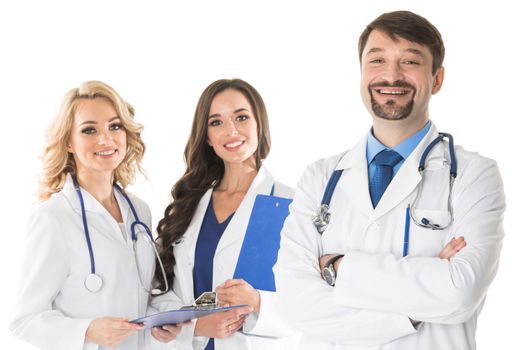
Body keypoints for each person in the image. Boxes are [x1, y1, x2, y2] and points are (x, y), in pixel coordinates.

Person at [274, 10, 505, 350]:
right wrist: (411, 313)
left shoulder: (475, 175)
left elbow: (459, 291)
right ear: (362, 73)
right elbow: (295, 304)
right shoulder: (320, 177)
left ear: (437, 79)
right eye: (377, 60)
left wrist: (339, 269)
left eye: (410, 61)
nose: (391, 75)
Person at [10, 81, 185, 350]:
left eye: (115, 126)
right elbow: (25, 320)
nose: (106, 139)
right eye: (89, 130)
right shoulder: (53, 218)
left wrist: (166, 318)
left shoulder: (139, 210)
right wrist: (87, 330)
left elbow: (143, 292)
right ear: (69, 141)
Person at [151, 78, 300, 349]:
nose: (231, 131)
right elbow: (160, 291)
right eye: (216, 122)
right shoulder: (188, 206)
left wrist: (257, 302)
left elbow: (313, 301)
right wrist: (196, 325)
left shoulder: (292, 204)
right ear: (207, 137)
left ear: (259, 124)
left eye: (241, 117)